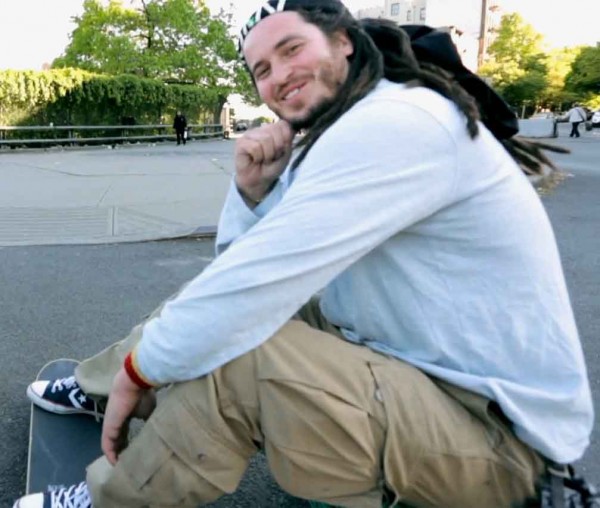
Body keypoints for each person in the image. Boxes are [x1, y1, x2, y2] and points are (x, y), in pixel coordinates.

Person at [14, 1, 593, 507]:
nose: (279, 76)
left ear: (343, 41)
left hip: (495, 441)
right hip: (410, 360)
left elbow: (252, 285)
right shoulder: (337, 130)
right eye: (262, 69)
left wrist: (141, 373)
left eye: (291, 49)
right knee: (206, 315)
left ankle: (112, 496)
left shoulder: (399, 122)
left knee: (242, 359)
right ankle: (96, 387)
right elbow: (234, 274)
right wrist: (251, 193)